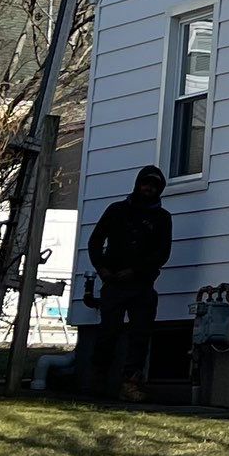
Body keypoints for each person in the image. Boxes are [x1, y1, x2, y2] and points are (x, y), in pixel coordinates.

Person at [86, 166, 172, 400]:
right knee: (107, 332)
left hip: (142, 284)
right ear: (137, 185)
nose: (149, 189)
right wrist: (102, 269)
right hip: (113, 281)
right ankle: (98, 381)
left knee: (140, 335)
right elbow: (95, 241)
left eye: (154, 186)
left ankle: (130, 383)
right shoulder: (117, 211)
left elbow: (162, 253)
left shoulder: (162, 218)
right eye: (146, 184)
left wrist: (135, 271)